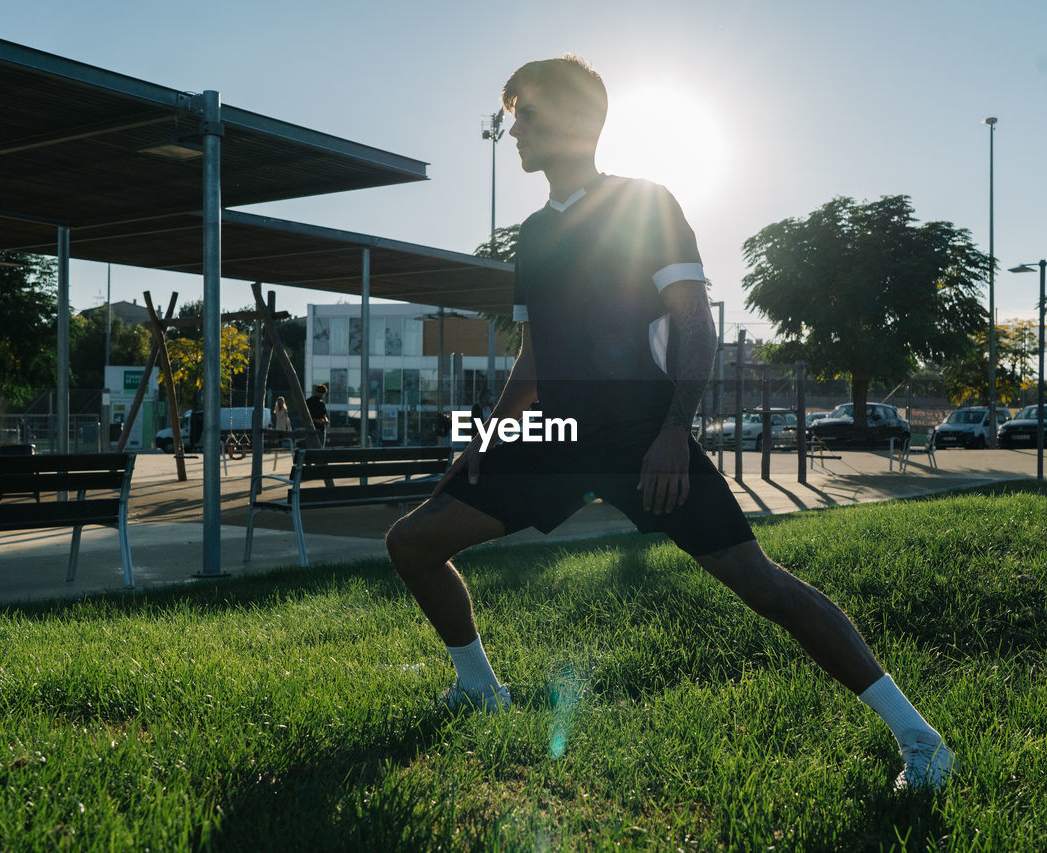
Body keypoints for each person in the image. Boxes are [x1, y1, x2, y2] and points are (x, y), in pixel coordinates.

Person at [385, 56, 954, 791]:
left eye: (524, 112)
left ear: (573, 121)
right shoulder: (532, 234)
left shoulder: (646, 202)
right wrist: (490, 439)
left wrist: (671, 434)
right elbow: (534, 355)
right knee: (413, 541)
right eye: (512, 113)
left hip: (640, 437)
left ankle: (921, 739)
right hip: (555, 438)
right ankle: (481, 689)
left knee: (764, 586)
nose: (513, 128)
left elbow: (694, 325)